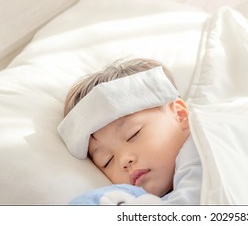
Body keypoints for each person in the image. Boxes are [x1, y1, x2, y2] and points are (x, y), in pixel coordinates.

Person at [58, 58, 202, 204]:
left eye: (133, 134)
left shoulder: (201, 148)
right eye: (107, 161)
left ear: (180, 113)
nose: (124, 161)